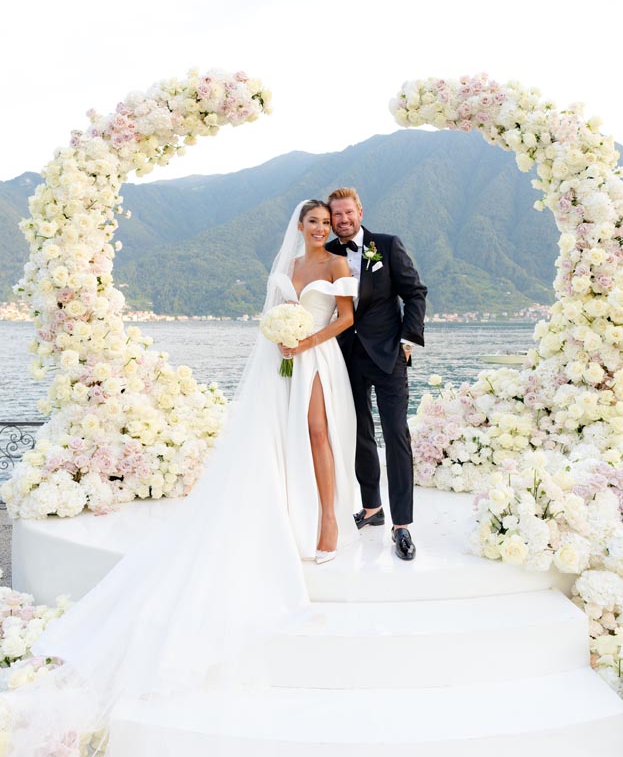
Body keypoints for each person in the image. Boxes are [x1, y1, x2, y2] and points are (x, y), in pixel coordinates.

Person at [5, 200, 359, 755]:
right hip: (278, 361)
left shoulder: (337, 265)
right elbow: (270, 314)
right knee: (273, 440)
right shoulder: (286, 270)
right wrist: (278, 340)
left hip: (317, 357)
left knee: (318, 436)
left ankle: (329, 523)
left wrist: (305, 341)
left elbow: (345, 320)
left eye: (323, 222)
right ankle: (287, 514)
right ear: (299, 226)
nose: (318, 228)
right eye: (311, 222)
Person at [325, 187, 427, 560]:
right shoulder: (328, 254)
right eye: (336, 215)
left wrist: (407, 339)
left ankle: (402, 524)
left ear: (360, 211)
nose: (343, 220)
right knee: (358, 433)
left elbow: (415, 293)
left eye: (348, 213)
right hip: (345, 357)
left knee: (397, 434)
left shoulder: (386, 245)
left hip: (389, 356)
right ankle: (372, 509)